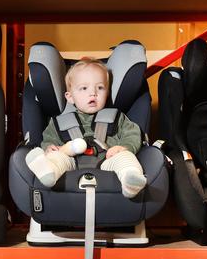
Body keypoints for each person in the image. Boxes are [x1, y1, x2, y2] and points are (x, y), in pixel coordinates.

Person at [25, 57, 147, 198]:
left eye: (100, 88)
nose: (93, 93)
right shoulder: (59, 122)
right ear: (70, 97)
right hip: (71, 163)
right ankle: (48, 171)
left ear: (107, 93)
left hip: (108, 162)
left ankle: (130, 181)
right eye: (84, 88)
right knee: (57, 157)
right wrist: (49, 148)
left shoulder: (117, 117)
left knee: (125, 158)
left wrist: (125, 147)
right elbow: (49, 138)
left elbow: (132, 133)